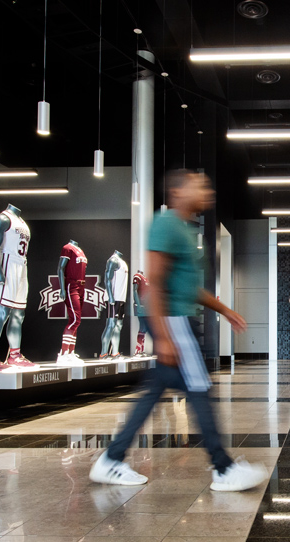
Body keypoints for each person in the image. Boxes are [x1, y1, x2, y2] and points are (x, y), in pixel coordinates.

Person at [89, 170, 269, 492]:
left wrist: (225, 310)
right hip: (174, 322)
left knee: (155, 393)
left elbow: (190, 288)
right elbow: (154, 285)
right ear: (176, 191)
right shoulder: (166, 225)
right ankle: (223, 468)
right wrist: (164, 336)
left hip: (178, 321)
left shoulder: (185, 231)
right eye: (198, 185)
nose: (206, 190)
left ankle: (111, 460)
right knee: (200, 392)